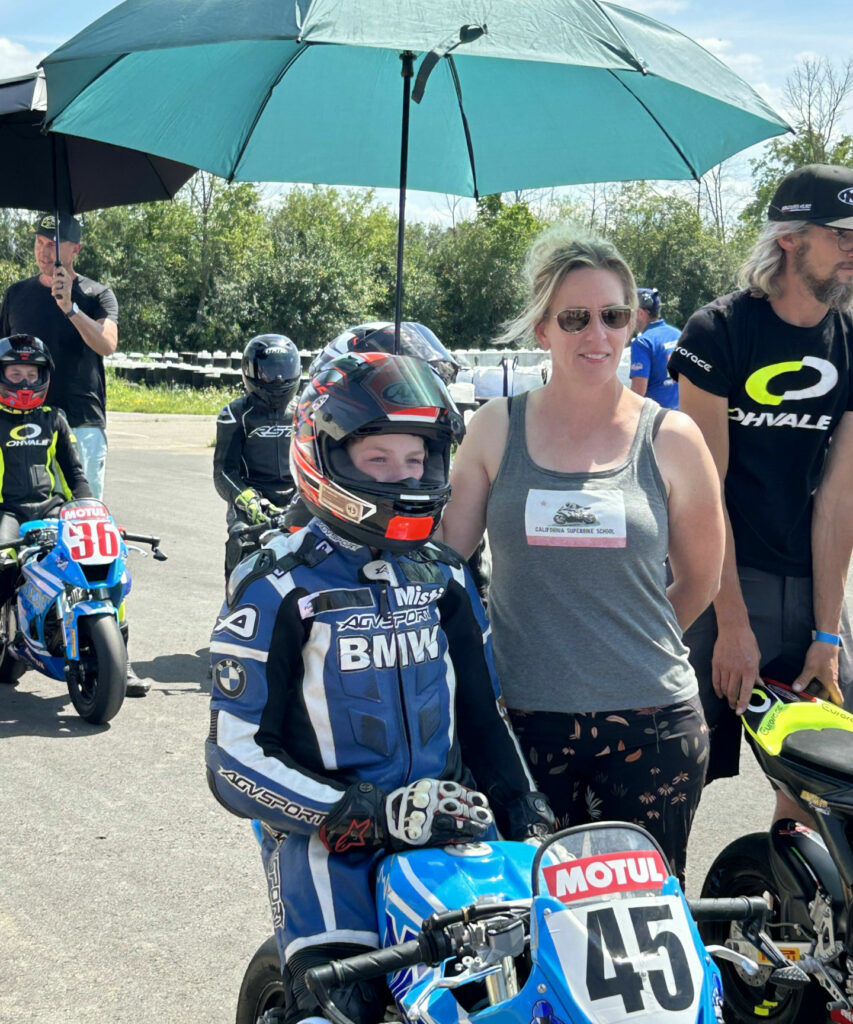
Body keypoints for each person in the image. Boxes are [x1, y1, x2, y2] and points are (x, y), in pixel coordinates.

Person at [205, 352, 554, 1024]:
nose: (404, 475)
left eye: (416, 459)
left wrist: (525, 808)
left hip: (448, 835)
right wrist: (358, 813)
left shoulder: (446, 577)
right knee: (337, 1010)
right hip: (324, 847)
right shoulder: (274, 582)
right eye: (378, 461)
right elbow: (232, 759)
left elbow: (483, 717)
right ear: (324, 456)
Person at [441, 224, 724, 881]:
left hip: (651, 728)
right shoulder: (493, 428)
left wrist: (616, 649)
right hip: (521, 730)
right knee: (526, 925)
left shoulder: (671, 437)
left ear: (632, 324)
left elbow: (699, 580)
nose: (596, 334)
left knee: (635, 936)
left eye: (612, 315)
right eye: (574, 317)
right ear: (542, 329)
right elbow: (446, 563)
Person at [667, 163, 853, 821]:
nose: (852, 252)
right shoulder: (717, 331)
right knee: (676, 782)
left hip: (806, 584)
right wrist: (733, 624)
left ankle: (791, 912)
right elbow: (701, 488)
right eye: (841, 236)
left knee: (821, 787)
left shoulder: (848, 341)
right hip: (716, 579)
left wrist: (825, 634)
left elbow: (837, 501)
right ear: (789, 239)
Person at [0, 213, 118, 499]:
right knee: (26, 519)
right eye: (39, 242)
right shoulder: (16, 294)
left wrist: (70, 308)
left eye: (52, 245)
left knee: (82, 516)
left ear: (75, 248)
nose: (43, 251)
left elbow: (107, 344)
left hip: (82, 421)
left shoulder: (96, 295)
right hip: (23, 423)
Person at [0, 334, 91, 608]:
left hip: (52, 508)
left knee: (86, 560)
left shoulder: (55, 418)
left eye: (31, 374)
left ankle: (105, 623)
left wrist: (90, 512)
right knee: (4, 564)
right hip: (8, 511)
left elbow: (75, 475)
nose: (25, 382)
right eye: (15, 374)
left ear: (43, 376)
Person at [213, 334, 302, 579]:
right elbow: (223, 471)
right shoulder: (235, 413)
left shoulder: (306, 411)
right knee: (241, 543)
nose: (278, 378)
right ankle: (234, 605)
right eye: (270, 371)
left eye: (283, 370)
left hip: (300, 499)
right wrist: (247, 499)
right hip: (252, 500)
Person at [629, 287, 680, 407]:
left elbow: (638, 392)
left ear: (640, 313)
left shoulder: (642, 342)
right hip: (682, 416)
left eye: (632, 313)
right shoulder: (678, 334)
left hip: (657, 419)